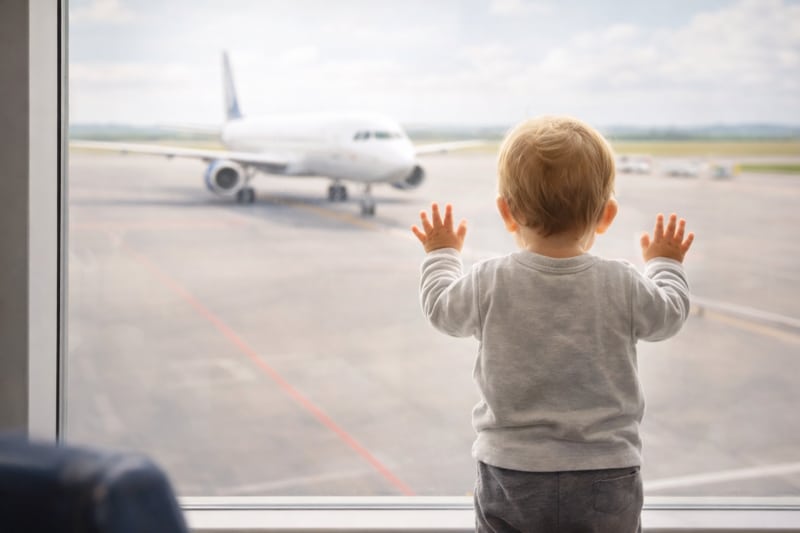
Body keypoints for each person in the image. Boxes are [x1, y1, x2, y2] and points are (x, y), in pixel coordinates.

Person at [411, 115, 694, 533]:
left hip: (512, 470)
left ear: (506, 213)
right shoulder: (622, 281)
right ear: (607, 215)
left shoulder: (490, 279)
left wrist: (441, 253)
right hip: (607, 470)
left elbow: (441, 309)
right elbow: (668, 316)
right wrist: (665, 262)